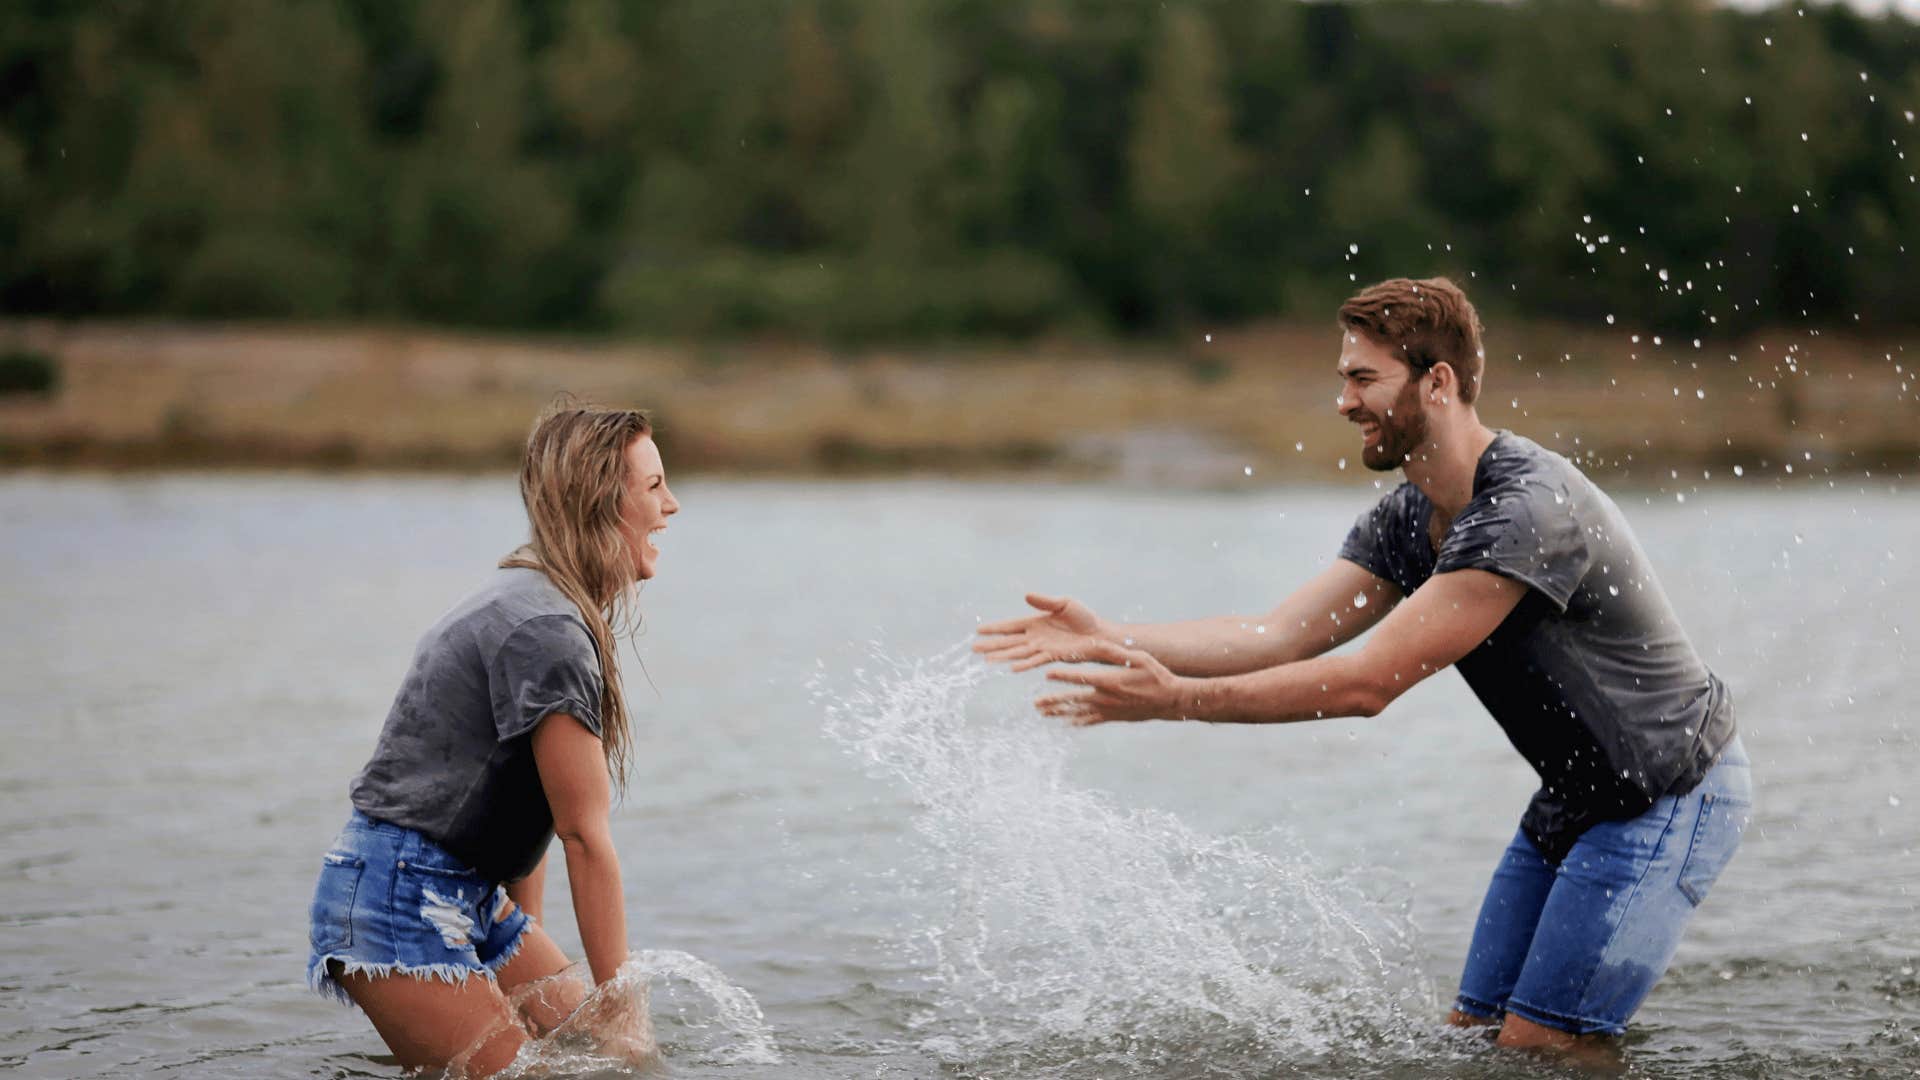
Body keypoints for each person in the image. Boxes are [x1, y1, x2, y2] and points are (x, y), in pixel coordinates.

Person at [974, 277, 1751, 1057]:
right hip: (1577, 797)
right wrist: (1114, 635)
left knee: (1543, 1045)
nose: (1343, 401)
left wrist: (1176, 699)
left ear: (1437, 382)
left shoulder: (1524, 511)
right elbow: (1279, 634)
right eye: (1343, 379)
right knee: (1475, 1039)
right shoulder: (1410, 515)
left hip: (1667, 790)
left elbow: (1366, 682)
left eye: (1362, 379)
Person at [306, 403, 677, 1075]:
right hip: (398, 897)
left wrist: (522, 954)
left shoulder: (542, 603)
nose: (671, 506)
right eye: (653, 487)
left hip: (466, 894)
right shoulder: (548, 632)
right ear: (601, 502)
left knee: (606, 1064)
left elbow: (518, 800)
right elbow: (584, 836)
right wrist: (623, 1004)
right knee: (605, 1051)